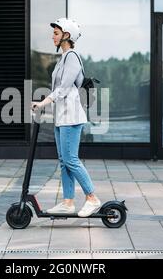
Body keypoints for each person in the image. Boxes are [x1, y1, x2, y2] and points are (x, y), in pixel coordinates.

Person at [31, 18, 101, 217]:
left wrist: (43, 102)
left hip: (71, 117)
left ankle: (92, 198)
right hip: (61, 118)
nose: (52, 36)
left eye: (56, 33)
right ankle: (68, 202)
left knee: (71, 159)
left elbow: (63, 88)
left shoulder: (72, 56)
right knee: (64, 161)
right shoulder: (63, 58)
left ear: (66, 35)